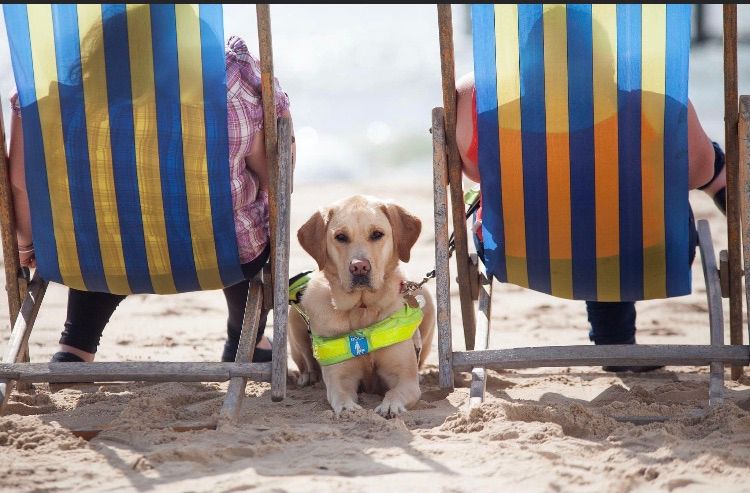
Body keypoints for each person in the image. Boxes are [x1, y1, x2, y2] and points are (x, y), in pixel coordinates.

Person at [9, 15, 294, 365]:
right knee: (235, 218)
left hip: (95, 256)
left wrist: (25, 246)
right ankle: (244, 338)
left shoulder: (60, 100)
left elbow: (22, 183)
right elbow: (276, 178)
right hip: (220, 256)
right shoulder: (232, 84)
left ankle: (75, 346)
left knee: (103, 222)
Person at [455, 72, 726, 372]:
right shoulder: (655, 90)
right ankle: (616, 341)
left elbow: (472, 172)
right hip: (646, 250)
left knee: (585, 203)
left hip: (520, 253)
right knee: (613, 202)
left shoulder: (475, 93)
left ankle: (616, 344)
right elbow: (698, 173)